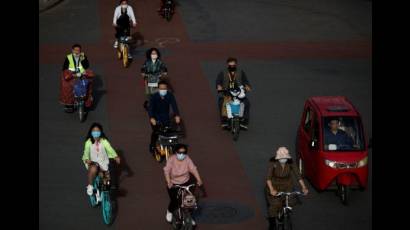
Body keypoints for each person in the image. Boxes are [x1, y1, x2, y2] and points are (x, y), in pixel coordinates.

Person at [265, 147, 308, 230]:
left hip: (287, 185)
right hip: (274, 186)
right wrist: (271, 189)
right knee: (273, 206)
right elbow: (268, 178)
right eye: (281, 158)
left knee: (289, 200)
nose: (283, 159)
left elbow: (298, 176)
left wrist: (304, 187)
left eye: (285, 158)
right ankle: (272, 224)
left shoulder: (291, 162)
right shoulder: (273, 162)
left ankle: (284, 215)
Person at [163, 144, 203, 225]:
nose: (182, 154)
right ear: (176, 152)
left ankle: (188, 216)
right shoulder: (171, 160)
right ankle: (169, 212)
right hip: (174, 184)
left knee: (189, 201)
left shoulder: (187, 159)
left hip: (186, 182)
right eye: (180, 152)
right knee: (174, 201)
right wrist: (169, 182)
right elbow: (166, 171)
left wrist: (199, 179)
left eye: (184, 152)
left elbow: (193, 169)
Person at [82, 123, 121, 196]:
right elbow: (86, 152)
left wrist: (116, 156)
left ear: (100, 132)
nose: (96, 132)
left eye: (97, 131)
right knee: (93, 169)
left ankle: (104, 194)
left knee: (106, 179)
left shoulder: (104, 141)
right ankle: (90, 186)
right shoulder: (88, 142)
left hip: (103, 163)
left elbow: (110, 149)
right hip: (93, 162)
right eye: (94, 131)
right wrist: (87, 159)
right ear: (91, 132)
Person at [216, 57, 251, 128]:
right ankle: (224, 121)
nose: (232, 67)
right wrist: (219, 86)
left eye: (233, 65)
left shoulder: (240, 72)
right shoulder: (223, 72)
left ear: (236, 65)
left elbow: (245, 81)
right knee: (221, 103)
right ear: (227, 65)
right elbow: (218, 81)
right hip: (227, 93)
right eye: (230, 65)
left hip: (238, 92)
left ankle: (244, 122)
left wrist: (247, 86)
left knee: (247, 103)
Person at [60, 44, 95, 113]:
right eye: (75, 50)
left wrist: (83, 69)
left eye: (78, 50)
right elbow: (64, 68)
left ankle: (87, 102)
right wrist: (71, 73)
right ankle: (69, 104)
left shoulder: (82, 56)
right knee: (67, 86)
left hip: (82, 74)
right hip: (72, 75)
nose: (77, 52)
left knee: (88, 84)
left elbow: (86, 65)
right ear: (72, 50)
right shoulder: (68, 57)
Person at [148, 80, 181, 153]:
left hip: (165, 117)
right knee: (156, 132)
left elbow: (174, 106)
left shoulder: (170, 95)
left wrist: (177, 115)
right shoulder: (154, 97)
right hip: (155, 117)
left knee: (168, 131)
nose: (163, 90)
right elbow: (150, 109)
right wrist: (151, 118)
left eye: (164, 88)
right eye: (161, 88)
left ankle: (170, 145)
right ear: (158, 89)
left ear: (167, 88)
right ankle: (152, 145)